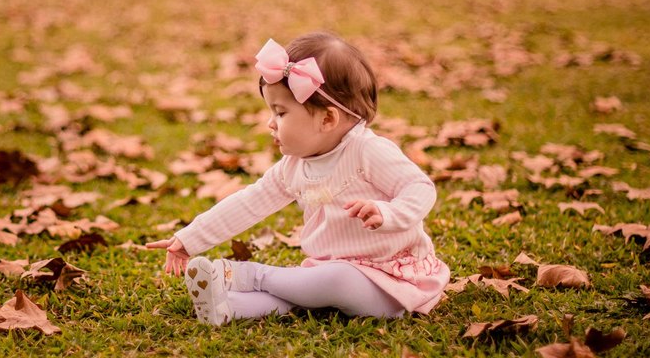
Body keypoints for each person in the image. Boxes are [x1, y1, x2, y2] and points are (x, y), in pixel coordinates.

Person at [146, 32, 450, 325]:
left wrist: (389, 213)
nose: (270, 123)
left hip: (391, 281)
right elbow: (248, 203)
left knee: (336, 281)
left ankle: (247, 275)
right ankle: (229, 308)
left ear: (327, 118)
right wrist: (189, 239)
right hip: (324, 271)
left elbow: (419, 187)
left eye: (280, 113)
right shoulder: (292, 167)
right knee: (306, 291)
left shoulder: (368, 151)